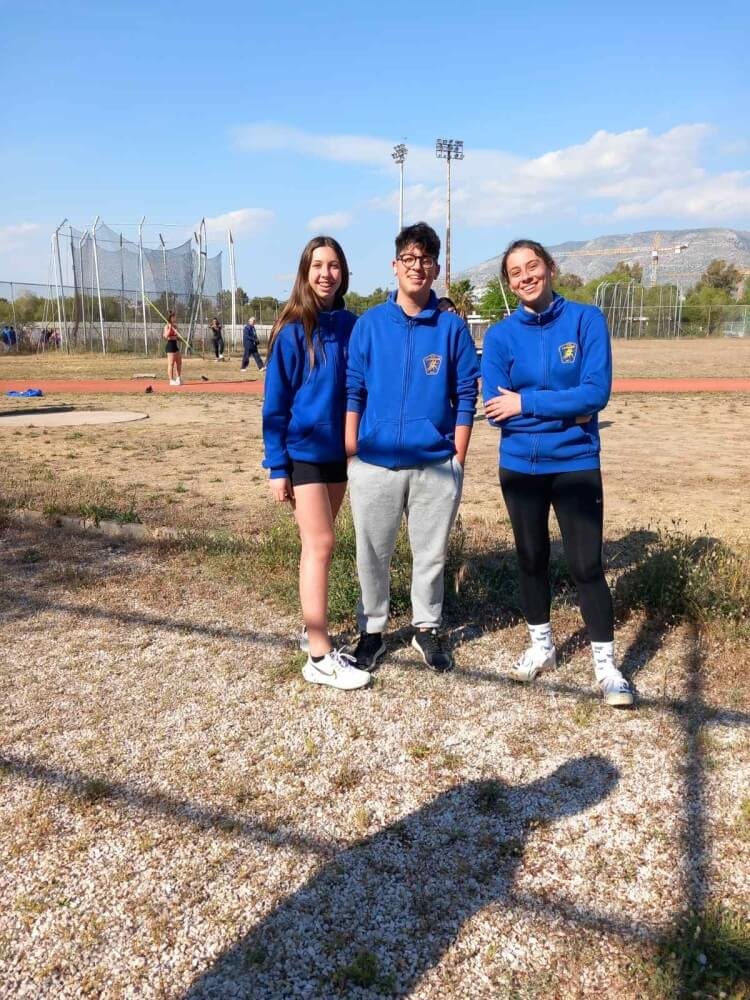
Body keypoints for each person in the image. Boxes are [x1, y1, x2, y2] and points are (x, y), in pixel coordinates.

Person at [481, 238, 633, 707]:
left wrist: (525, 403)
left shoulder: (586, 320)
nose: (526, 276)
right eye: (515, 272)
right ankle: (541, 647)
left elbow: (595, 394)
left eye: (533, 266)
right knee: (531, 559)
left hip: (576, 463)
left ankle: (606, 667)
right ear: (509, 283)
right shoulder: (500, 337)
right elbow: (495, 410)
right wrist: (569, 411)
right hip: (520, 467)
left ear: (549, 267)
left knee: (587, 566)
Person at [345, 222, 480, 672]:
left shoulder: (451, 328)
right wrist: (352, 450)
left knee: (431, 554)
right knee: (372, 553)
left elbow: (466, 393)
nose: (417, 267)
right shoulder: (369, 324)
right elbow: (354, 389)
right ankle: (372, 631)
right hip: (374, 462)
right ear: (395, 265)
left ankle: (427, 627)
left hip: (435, 463)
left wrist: (457, 456)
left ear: (436, 269)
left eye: (425, 260)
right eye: (409, 258)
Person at [262, 236, 371, 691]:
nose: (327, 274)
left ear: (343, 273)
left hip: (339, 455)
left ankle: (313, 630)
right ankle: (320, 656)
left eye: (334, 266)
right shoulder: (291, 331)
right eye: (318, 266)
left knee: (317, 548)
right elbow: (275, 405)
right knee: (321, 544)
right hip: (303, 454)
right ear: (305, 272)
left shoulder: (352, 326)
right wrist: (277, 466)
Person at [163, 311, 182, 385]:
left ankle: (178, 378)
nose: (175, 318)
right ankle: (171, 380)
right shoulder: (167, 326)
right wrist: (170, 328)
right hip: (170, 346)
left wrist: (180, 338)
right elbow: (166, 336)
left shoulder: (175, 326)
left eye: (175, 317)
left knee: (179, 362)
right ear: (170, 318)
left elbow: (177, 337)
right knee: (171, 364)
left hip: (175, 346)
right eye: (173, 317)